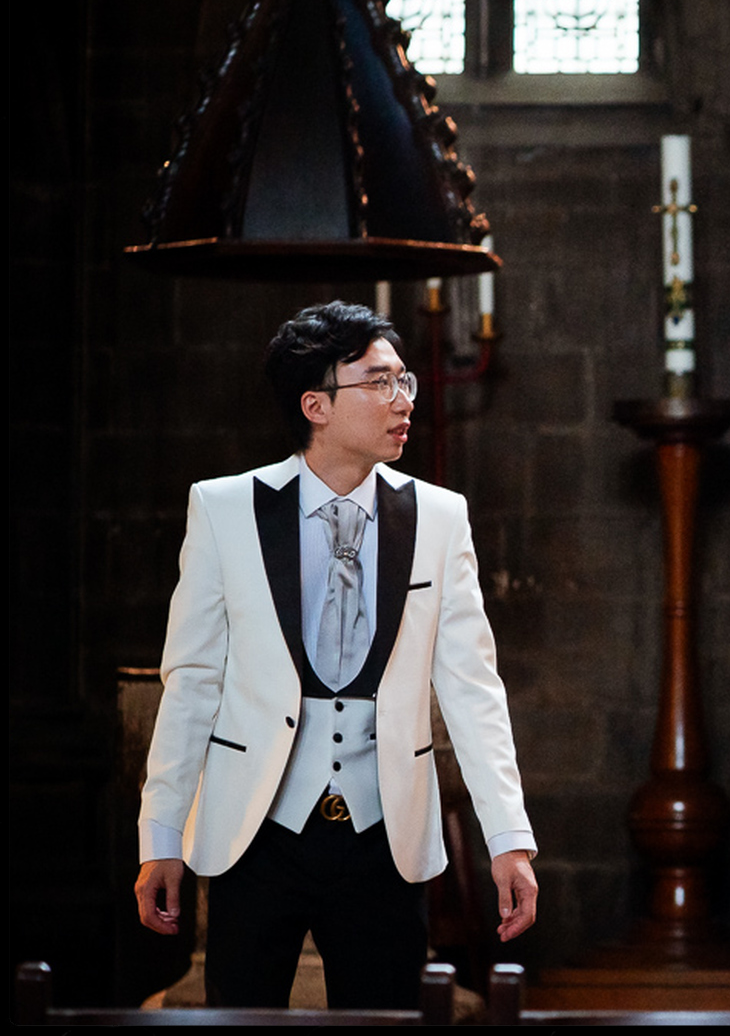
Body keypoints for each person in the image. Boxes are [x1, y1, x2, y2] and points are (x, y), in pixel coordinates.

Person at [134, 301, 537, 1008]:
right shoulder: (225, 510)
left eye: (405, 381)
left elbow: (474, 688)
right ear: (315, 404)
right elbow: (191, 683)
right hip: (255, 835)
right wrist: (161, 834)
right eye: (379, 383)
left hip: (386, 837)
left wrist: (508, 836)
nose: (402, 400)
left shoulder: (440, 519)